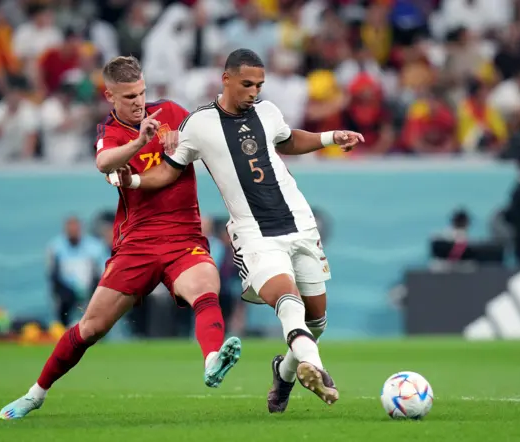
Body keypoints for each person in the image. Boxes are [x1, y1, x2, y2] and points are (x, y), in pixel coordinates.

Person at [108, 49, 364, 413]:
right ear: (225, 79)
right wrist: (131, 179)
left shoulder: (268, 111)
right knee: (285, 298)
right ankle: (317, 368)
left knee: (316, 322)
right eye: (247, 84)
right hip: (253, 232)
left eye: (260, 84)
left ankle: (287, 370)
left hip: (300, 223)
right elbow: (168, 170)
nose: (254, 91)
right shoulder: (198, 124)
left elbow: (288, 140)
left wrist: (329, 137)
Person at [0, 56, 241, 420]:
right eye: (129, 96)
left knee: (206, 286)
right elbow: (104, 163)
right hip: (137, 244)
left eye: (141, 92)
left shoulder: (172, 112)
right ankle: (36, 394)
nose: (139, 102)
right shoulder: (109, 133)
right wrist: (139, 142)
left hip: (182, 237)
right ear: (109, 95)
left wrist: (186, 138)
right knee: (91, 327)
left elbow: (207, 138)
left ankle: (211, 361)